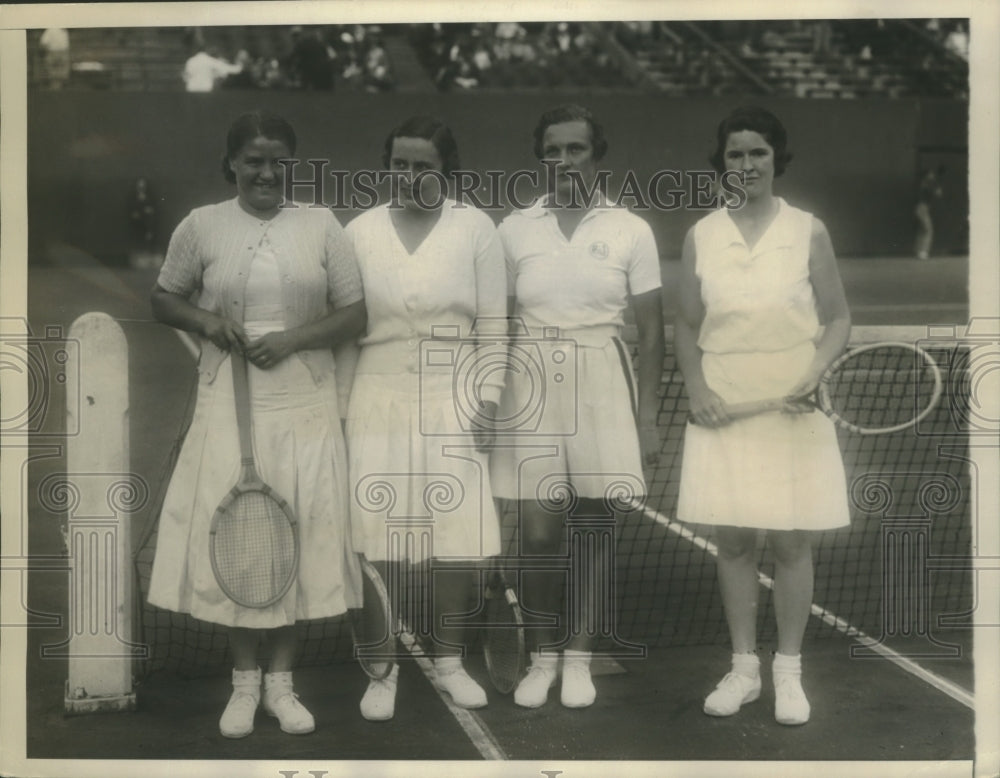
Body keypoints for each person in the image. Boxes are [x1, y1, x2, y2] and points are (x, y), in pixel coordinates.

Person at [147, 111, 366, 738]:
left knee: (295, 536)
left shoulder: (322, 225)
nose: (266, 172)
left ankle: (282, 683)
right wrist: (209, 323)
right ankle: (243, 684)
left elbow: (355, 313)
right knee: (244, 543)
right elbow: (163, 298)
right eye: (253, 160)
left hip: (304, 406)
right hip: (229, 407)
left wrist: (292, 340)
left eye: (278, 161)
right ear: (233, 164)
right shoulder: (202, 225)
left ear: (291, 165)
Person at [674, 106, 851, 726]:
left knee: (791, 538)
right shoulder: (703, 233)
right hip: (724, 394)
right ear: (721, 163)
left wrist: (813, 373)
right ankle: (744, 668)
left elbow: (837, 319)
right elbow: (688, 323)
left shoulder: (809, 230)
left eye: (757, 154)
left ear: (776, 160)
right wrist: (697, 387)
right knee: (734, 539)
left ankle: (789, 673)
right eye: (734, 155)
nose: (745, 165)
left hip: (793, 395)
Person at [491, 104, 665, 709]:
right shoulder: (514, 228)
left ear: (597, 155)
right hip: (531, 382)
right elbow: (500, 323)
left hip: (602, 379)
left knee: (592, 527)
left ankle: (580, 657)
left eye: (576, 149)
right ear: (540, 155)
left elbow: (653, 332)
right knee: (538, 532)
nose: (563, 160)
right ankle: (541, 658)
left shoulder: (631, 229)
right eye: (553, 149)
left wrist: (647, 420)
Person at [344, 116, 507, 721]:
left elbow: (493, 323)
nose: (411, 178)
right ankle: (380, 668)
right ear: (387, 167)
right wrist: (340, 412)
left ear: (447, 172)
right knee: (374, 536)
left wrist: (487, 397)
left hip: (454, 395)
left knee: (456, 540)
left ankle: (450, 661)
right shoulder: (357, 232)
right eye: (400, 165)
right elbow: (346, 331)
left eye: (425, 168)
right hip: (375, 395)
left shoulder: (476, 230)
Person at [914, 167, 943, 260]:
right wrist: (937, 186)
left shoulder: (924, 183)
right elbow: (938, 193)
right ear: (927, 175)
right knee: (928, 230)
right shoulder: (929, 183)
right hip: (923, 208)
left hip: (920, 208)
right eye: (931, 173)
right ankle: (923, 253)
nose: (933, 175)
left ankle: (918, 251)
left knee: (922, 230)